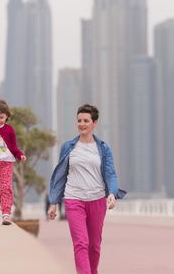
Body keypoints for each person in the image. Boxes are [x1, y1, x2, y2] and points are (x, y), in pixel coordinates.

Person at [48, 104, 126, 274]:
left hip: (97, 200)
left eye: (86, 121)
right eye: (79, 121)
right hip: (73, 199)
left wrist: (112, 193)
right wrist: (53, 202)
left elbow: (110, 172)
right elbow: (60, 176)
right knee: (81, 243)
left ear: (94, 123)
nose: (82, 124)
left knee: (94, 246)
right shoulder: (68, 147)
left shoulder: (103, 148)